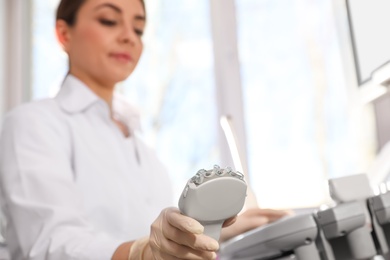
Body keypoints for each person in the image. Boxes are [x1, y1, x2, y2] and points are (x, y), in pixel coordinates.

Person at [0, 0, 290, 259]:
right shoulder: (32, 124)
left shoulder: (143, 150)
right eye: (109, 21)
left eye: (138, 29)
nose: (129, 37)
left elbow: (153, 235)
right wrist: (140, 253)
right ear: (64, 34)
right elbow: (49, 243)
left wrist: (208, 234)